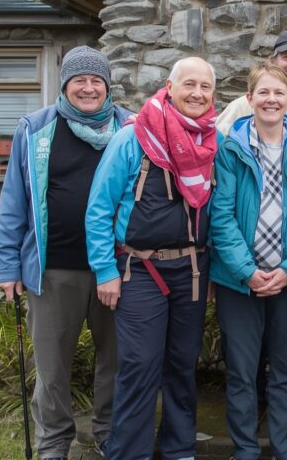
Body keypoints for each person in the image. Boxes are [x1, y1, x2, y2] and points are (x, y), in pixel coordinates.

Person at [0, 46, 132, 460]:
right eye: (80, 81)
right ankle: (54, 442)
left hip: (117, 268)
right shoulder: (35, 129)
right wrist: (7, 265)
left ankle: (108, 434)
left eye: (96, 81)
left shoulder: (132, 127)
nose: (88, 88)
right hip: (52, 269)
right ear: (66, 85)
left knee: (117, 360)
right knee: (53, 367)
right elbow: (14, 200)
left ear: (107, 85)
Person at [85, 56, 219, 460]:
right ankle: (130, 453)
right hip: (139, 269)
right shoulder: (134, 138)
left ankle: (179, 450)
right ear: (170, 86)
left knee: (181, 364)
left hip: (193, 269)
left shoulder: (214, 141)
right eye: (189, 84)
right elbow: (98, 209)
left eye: (205, 87)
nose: (197, 93)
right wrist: (105, 271)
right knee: (140, 365)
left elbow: (219, 211)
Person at [209, 63, 287, 460]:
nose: (271, 99)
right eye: (264, 93)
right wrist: (248, 271)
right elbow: (220, 217)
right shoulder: (230, 149)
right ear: (250, 99)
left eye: (279, 93)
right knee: (242, 372)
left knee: (286, 369)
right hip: (238, 281)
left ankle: (285, 450)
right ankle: (244, 449)